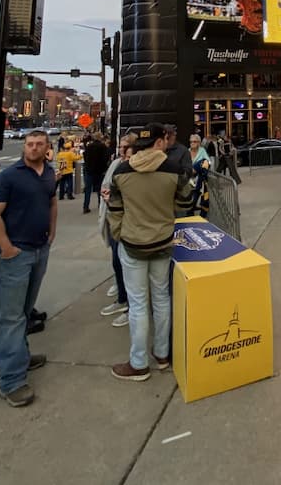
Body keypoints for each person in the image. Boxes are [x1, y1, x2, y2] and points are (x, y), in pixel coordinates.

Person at [107, 123, 190, 381]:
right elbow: (186, 201)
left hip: (132, 243)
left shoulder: (122, 171)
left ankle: (139, 362)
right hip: (163, 242)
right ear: (159, 142)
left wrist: (120, 233)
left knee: (138, 304)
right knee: (162, 298)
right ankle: (162, 354)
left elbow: (115, 208)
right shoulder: (174, 170)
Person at [0, 130, 57, 407]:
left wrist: (52, 230)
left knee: (25, 312)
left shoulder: (49, 173)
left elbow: (51, 202)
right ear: (24, 147)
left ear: (47, 147)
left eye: (39, 144)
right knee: (12, 317)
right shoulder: (9, 176)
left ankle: (22, 358)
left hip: (39, 250)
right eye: (29, 144)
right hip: (15, 255)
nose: (33, 148)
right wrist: (6, 248)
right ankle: (12, 381)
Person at [98, 134, 137, 328]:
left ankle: (130, 306)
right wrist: (106, 195)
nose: (121, 151)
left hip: (128, 225)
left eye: (125, 148)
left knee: (129, 269)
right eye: (121, 147)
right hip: (113, 221)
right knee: (116, 262)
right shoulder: (115, 165)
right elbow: (106, 185)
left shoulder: (135, 169)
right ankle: (122, 298)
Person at [82, 133, 110, 214]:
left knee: (88, 189)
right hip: (99, 171)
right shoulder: (103, 147)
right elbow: (106, 158)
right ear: (100, 137)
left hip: (89, 170)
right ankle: (100, 204)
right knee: (99, 189)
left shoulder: (89, 146)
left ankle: (86, 206)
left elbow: (85, 156)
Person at [189, 133, 211, 217]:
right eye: (191, 142)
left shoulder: (202, 151)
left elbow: (207, 162)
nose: (192, 143)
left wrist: (196, 169)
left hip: (198, 181)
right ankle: (190, 220)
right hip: (188, 181)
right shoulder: (187, 151)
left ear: (199, 143)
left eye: (194, 141)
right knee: (189, 205)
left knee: (193, 201)